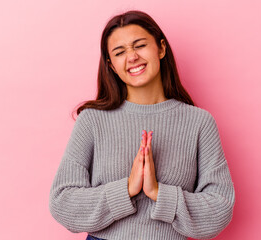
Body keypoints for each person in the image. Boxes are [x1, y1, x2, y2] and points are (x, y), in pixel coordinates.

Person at [49, 10, 235, 240]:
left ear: (161, 48)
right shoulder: (93, 120)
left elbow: (220, 209)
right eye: (120, 52)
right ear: (111, 65)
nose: (132, 57)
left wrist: (158, 193)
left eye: (139, 45)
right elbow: (62, 202)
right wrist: (126, 189)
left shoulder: (199, 122)